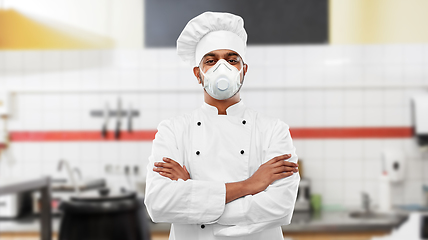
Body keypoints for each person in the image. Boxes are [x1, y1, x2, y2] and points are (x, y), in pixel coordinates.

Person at [144, 12, 300, 240]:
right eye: (210, 60)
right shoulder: (173, 130)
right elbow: (158, 204)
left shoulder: (274, 130)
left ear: (243, 70)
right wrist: (249, 185)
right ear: (198, 74)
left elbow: (281, 208)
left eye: (231, 59)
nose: (222, 67)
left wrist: (193, 194)